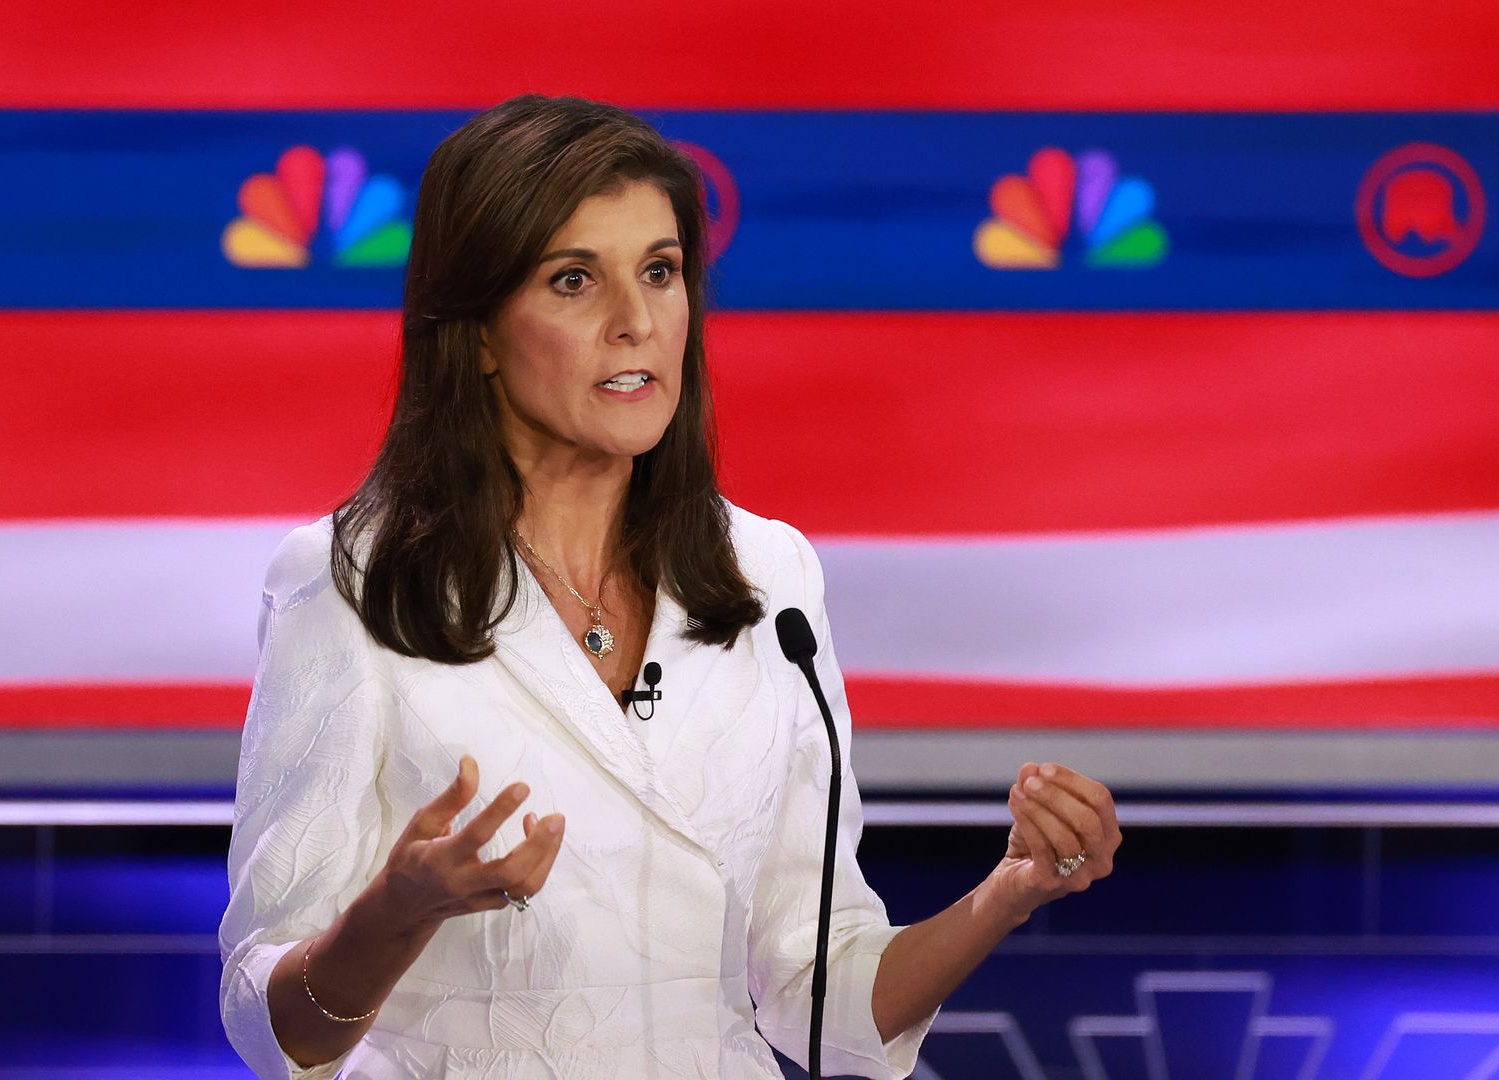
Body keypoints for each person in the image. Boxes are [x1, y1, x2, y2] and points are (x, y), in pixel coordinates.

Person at [218, 94, 1122, 1080]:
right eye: (574, 281)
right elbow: (273, 1027)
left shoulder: (768, 579)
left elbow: (819, 993)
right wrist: (391, 918)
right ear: (477, 330)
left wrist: (1011, 891)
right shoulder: (352, 582)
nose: (636, 323)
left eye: (660, 272)